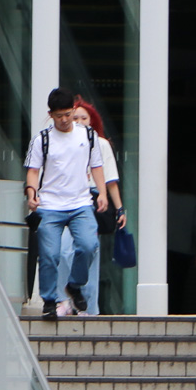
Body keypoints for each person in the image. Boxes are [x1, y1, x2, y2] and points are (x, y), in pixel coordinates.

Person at [24, 86, 109, 320]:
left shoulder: (87, 135)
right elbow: (33, 171)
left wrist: (101, 193)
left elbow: (97, 167)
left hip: (81, 203)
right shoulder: (42, 140)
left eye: (68, 114)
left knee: (88, 245)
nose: (64, 120)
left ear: (73, 110)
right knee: (50, 254)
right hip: (50, 204)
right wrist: (31, 192)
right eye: (59, 115)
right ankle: (50, 300)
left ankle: (75, 285)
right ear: (50, 114)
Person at [55, 98, 126, 316]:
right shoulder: (61, 143)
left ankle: (86, 307)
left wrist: (120, 209)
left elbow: (111, 180)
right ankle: (66, 301)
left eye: (83, 118)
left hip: (93, 203)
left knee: (88, 254)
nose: (78, 121)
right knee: (62, 250)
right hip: (66, 201)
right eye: (74, 118)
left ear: (92, 121)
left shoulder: (100, 144)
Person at [166, 188, 196, 314]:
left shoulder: (164, 196)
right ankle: (177, 312)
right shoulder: (193, 201)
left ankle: (166, 310)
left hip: (166, 249)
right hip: (184, 250)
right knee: (180, 285)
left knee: (168, 283)